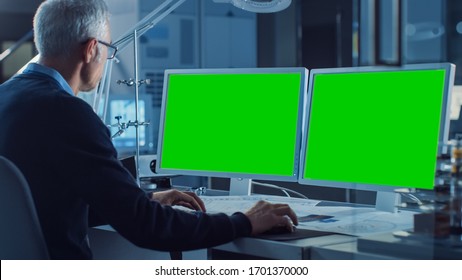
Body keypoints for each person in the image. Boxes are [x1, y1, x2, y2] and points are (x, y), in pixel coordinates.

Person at [0, 0, 297, 259]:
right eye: (109, 48)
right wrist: (243, 222)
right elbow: (147, 227)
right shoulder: (69, 113)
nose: (108, 58)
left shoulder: (6, 97)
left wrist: (141, 200)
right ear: (92, 50)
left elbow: (40, 207)